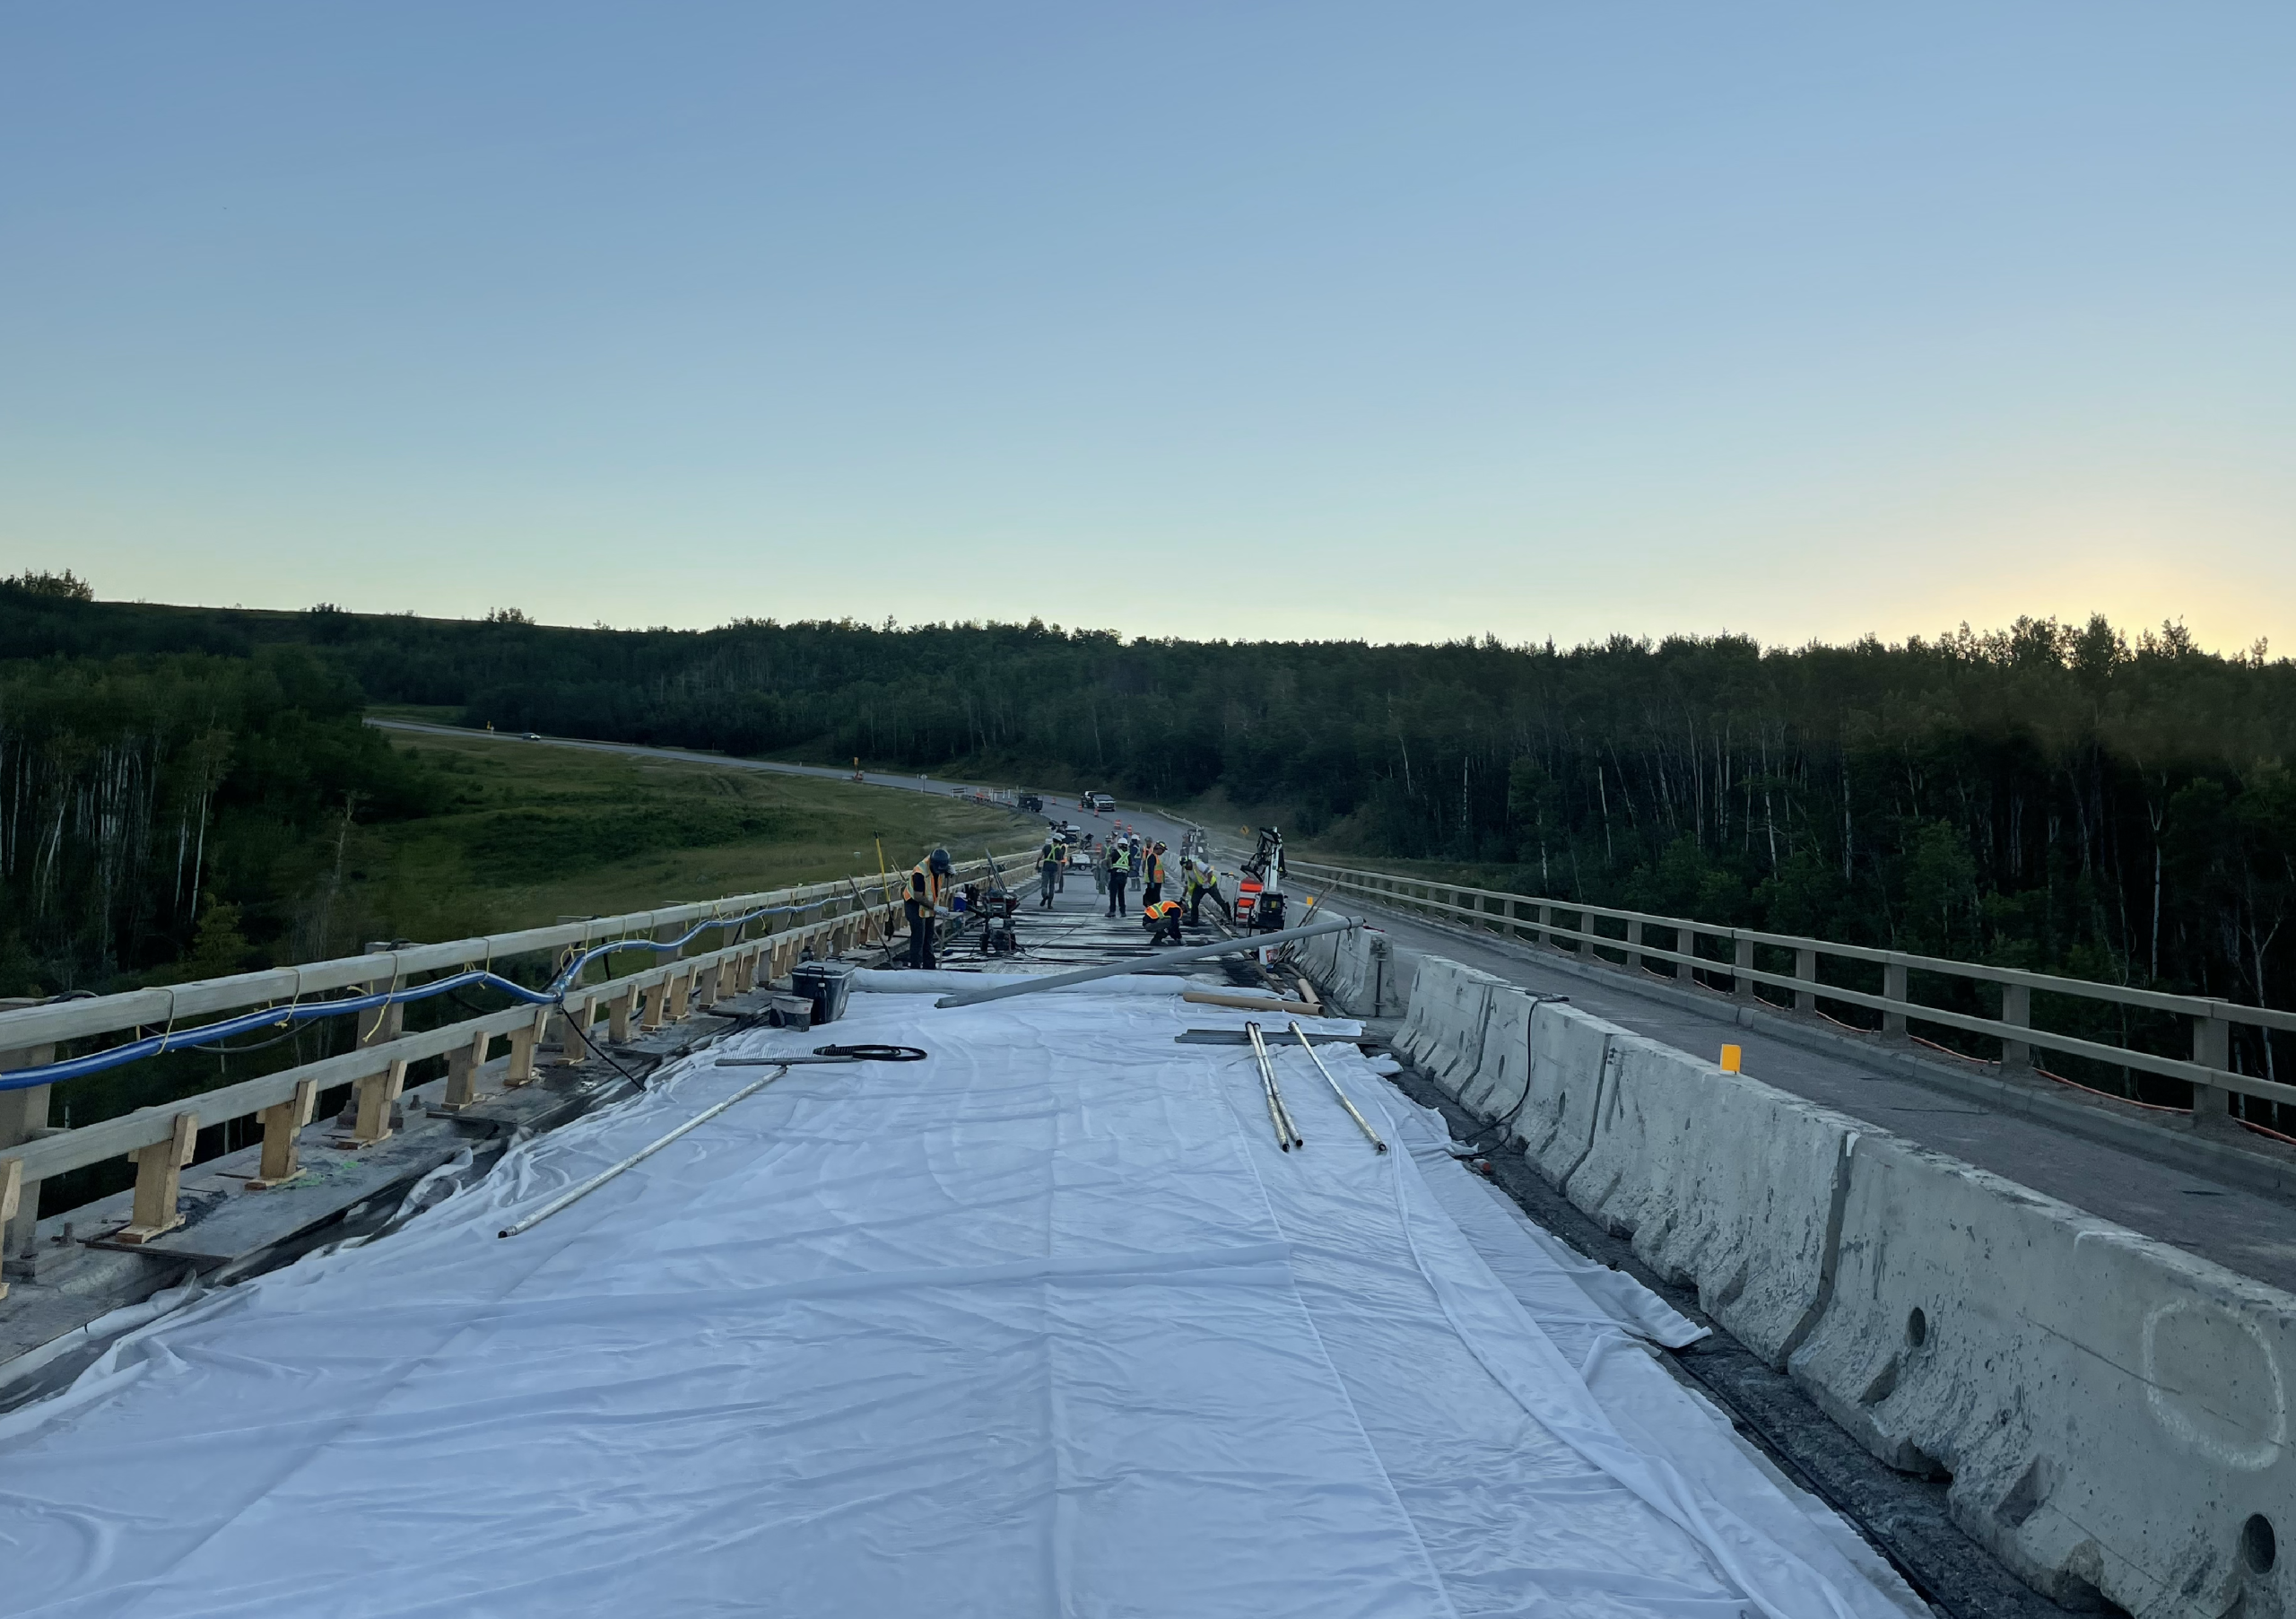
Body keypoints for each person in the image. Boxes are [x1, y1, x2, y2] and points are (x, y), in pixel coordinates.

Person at [906, 847, 952, 968]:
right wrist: (936, 908)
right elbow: (918, 897)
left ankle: (929, 966)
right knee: (919, 937)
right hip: (914, 904)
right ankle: (915, 967)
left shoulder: (939, 865)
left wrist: (948, 872)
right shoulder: (920, 873)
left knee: (929, 936)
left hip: (929, 904)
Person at [1184, 856, 1231, 926]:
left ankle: (1229, 918)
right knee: (1194, 901)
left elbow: (1210, 872)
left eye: (1187, 865)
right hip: (1200, 886)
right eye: (1185, 866)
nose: (1187, 867)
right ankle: (1194, 921)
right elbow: (1187, 883)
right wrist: (1184, 895)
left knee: (1219, 900)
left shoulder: (1198, 864)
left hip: (1210, 885)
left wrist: (1208, 882)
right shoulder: (1187, 871)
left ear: (1190, 862)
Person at [1104, 838, 1132, 918]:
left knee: (1113, 894)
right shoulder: (1128, 855)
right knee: (1121, 894)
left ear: (1119, 845)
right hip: (1124, 876)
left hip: (1115, 875)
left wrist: (1109, 869)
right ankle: (1123, 912)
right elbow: (1130, 866)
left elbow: (1109, 862)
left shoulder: (1114, 853)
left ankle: (1112, 911)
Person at [1141, 840, 1169, 908]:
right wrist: (1152, 881)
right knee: (1154, 899)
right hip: (1154, 881)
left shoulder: (1155, 857)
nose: (1163, 852)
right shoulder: (1152, 857)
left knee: (1155, 898)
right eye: (1162, 850)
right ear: (1158, 849)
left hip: (1156, 881)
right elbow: (1151, 870)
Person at [1038, 836, 1061, 910]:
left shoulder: (1046, 847)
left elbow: (1040, 857)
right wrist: (1059, 875)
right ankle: (1049, 905)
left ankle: (1045, 895)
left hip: (1046, 867)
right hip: (1054, 869)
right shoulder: (1059, 850)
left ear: (1053, 840)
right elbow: (1059, 863)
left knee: (1044, 884)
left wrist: (1037, 865)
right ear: (1059, 842)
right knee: (1052, 886)